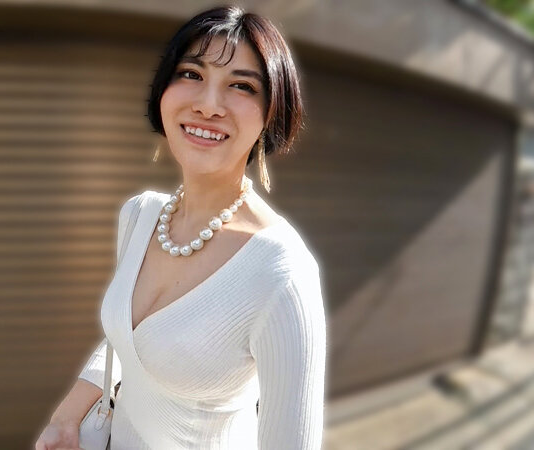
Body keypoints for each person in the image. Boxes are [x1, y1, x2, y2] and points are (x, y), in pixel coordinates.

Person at [34, 5, 326, 449]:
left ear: (271, 112)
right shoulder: (140, 215)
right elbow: (127, 341)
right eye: (191, 74)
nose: (207, 105)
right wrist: (66, 416)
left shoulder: (281, 272)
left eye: (242, 86)